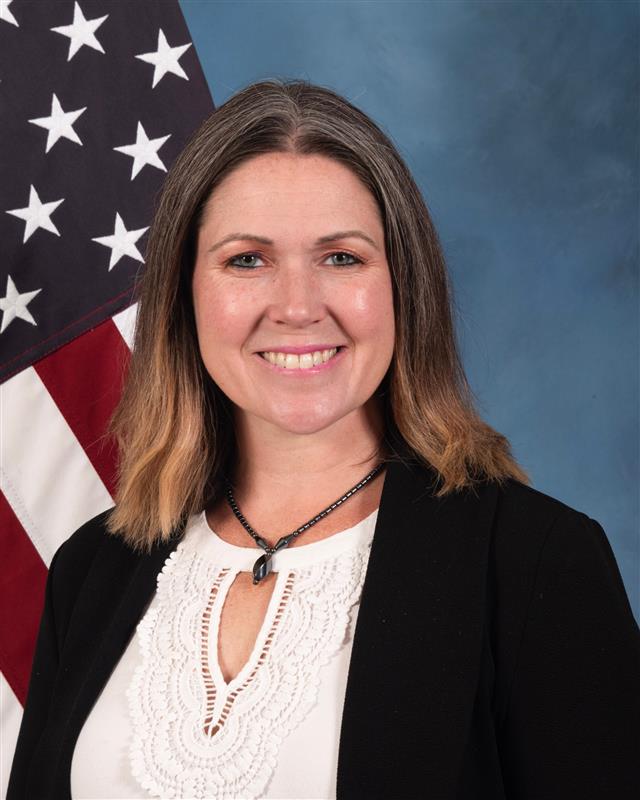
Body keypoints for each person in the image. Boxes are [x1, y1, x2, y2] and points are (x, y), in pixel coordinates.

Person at [7, 78, 640, 800]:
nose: (299, 307)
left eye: (342, 257)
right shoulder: (93, 569)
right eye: (248, 259)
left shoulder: (534, 564)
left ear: (404, 284)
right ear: (185, 293)